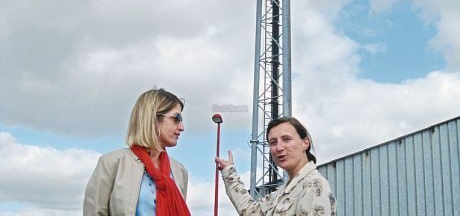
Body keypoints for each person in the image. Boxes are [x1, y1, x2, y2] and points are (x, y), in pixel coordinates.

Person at [84, 88, 191, 216]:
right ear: (153, 119)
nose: (182, 127)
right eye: (176, 118)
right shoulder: (112, 163)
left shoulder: (179, 171)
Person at [215, 117, 336, 216]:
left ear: (305, 143)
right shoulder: (282, 194)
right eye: (273, 142)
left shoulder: (314, 186)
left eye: (286, 139)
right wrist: (229, 172)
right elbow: (251, 211)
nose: (279, 148)